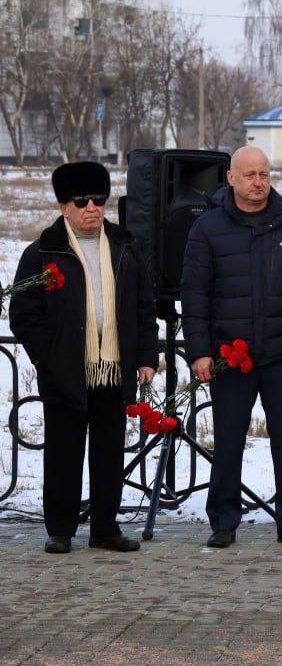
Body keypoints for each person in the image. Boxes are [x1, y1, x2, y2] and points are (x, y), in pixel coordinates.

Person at [181, 146, 282, 548]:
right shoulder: (208, 228)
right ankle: (223, 522)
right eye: (249, 175)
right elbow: (194, 296)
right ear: (230, 178)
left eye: (264, 174)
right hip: (231, 358)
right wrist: (200, 351)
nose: (258, 182)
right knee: (228, 441)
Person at [11, 161, 159, 554]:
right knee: (63, 451)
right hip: (66, 372)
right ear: (64, 206)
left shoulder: (125, 246)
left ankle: (105, 528)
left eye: (99, 199)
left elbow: (145, 307)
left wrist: (145, 356)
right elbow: (25, 315)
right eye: (82, 201)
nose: (93, 207)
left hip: (113, 368)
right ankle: (60, 529)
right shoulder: (43, 251)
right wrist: (50, 357)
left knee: (109, 452)